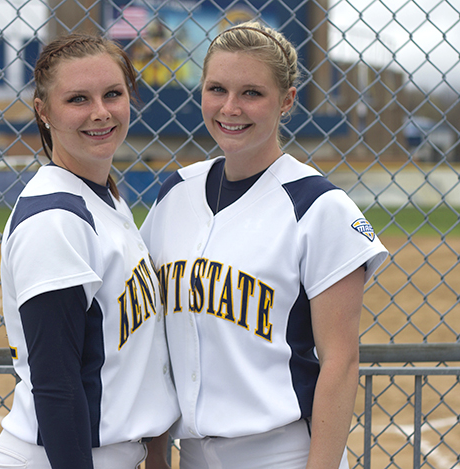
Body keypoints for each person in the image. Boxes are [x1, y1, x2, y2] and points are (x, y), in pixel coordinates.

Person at [140, 22, 389, 469]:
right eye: (217, 88)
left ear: (287, 100)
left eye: (252, 93)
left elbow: (340, 362)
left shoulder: (318, 206)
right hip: (191, 455)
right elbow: (153, 342)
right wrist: (156, 455)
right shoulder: (174, 193)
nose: (230, 107)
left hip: (284, 455)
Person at [0, 34, 179, 469]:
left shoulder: (102, 199)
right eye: (77, 99)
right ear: (43, 111)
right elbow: (58, 385)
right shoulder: (55, 219)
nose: (100, 112)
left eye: (113, 94)